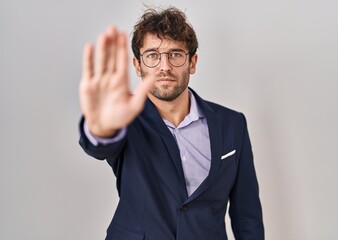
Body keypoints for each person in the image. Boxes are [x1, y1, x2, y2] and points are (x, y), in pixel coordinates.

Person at [78, 7, 264, 240]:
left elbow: (247, 214)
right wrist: (101, 126)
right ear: (138, 65)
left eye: (175, 54)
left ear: (192, 62)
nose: (164, 66)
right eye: (153, 55)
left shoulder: (232, 124)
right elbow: (100, 145)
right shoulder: (125, 121)